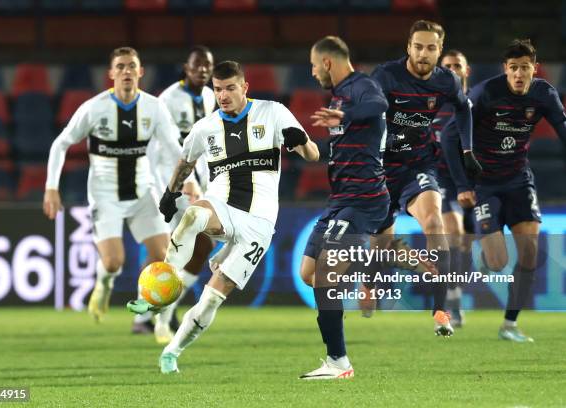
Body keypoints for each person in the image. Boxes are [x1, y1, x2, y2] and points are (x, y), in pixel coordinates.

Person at [130, 60, 320, 374]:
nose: (223, 95)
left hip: (259, 223)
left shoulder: (272, 113)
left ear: (245, 87)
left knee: (211, 299)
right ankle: (158, 293)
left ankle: (171, 352)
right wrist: (169, 193)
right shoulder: (206, 127)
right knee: (192, 217)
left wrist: (301, 144)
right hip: (221, 203)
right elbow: (185, 163)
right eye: (218, 89)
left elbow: (312, 154)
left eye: (230, 88)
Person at [43, 47, 182, 324]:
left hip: (143, 192)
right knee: (113, 263)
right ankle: (103, 284)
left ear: (140, 72)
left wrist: (185, 182)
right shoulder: (95, 108)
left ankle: (144, 314)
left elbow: (175, 151)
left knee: (162, 255)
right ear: (111, 74)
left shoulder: (154, 108)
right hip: (105, 195)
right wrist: (51, 187)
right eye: (120, 67)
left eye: (131, 66)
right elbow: (61, 143)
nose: (126, 71)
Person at [442, 39, 566, 342]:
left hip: (519, 180)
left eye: (525, 68)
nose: (520, 74)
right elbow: (448, 137)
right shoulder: (485, 94)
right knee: (497, 261)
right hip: (485, 185)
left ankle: (509, 325)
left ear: (534, 69)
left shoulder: (544, 94)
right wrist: (462, 185)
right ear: (505, 70)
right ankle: (485, 252)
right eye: (514, 68)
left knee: (529, 253)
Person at [370, 20, 482, 336]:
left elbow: (463, 109)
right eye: (418, 47)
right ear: (408, 47)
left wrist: (468, 150)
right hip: (381, 169)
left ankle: (441, 309)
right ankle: (371, 282)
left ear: (439, 50)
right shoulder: (386, 76)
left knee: (434, 222)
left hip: (419, 163)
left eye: (430, 48)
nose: (423, 54)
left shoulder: (446, 81)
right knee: (382, 244)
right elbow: (364, 111)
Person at [297, 36, 390, 380]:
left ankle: (338, 362)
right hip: (340, 200)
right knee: (309, 273)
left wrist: (346, 113)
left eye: (313, 64)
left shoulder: (361, 86)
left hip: (364, 199)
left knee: (327, 273)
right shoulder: (338, 95)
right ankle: (367, 266)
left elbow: (379, 105)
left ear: (327, 62)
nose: (311, 71)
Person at [144, 46, 216, 341]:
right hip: (168, 185)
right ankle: (157, 318)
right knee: (174, 253)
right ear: (185, 68)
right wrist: (178, 182)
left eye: (207, 66)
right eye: (197, 65)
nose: (203, 70)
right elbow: (168, 146)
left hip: (197, 183)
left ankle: (162, 310)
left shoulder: (211, 97)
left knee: (201, 250)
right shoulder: (168, 101)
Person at [432, 50, 476, 327]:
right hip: (441, 180)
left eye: (456, 65)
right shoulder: (432, 104)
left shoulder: (475, 104)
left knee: (465, 243)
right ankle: (450, 303)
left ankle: (454, 295)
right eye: (446, 66)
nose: (452, 70)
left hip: (472, 181)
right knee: (453, 232)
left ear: (466, 70)